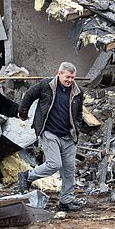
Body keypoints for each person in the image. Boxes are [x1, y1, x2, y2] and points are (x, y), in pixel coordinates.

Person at [17, 62, 84, 211]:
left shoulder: (78, 91)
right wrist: (23, 112)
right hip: (49, 133)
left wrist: (76, 130)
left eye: (72, 77)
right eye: (67, 77)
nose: (70, 80)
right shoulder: (46, 86)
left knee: (69, 170)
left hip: (68, 136)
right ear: (59, 73)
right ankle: (27, 176)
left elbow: (79, 114)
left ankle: (65, 202)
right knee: (54, 164)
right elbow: (29, 95)